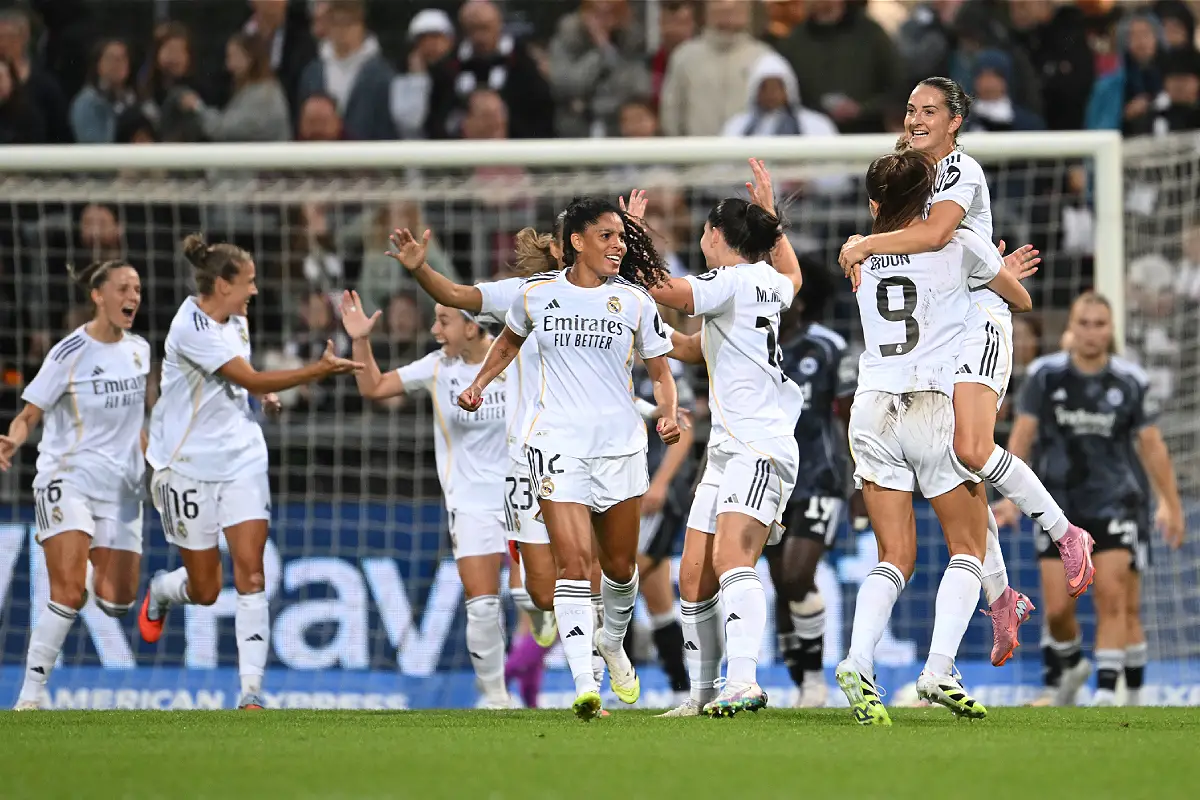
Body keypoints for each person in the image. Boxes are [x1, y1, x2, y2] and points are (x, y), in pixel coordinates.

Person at [838, 76, 1094, 667]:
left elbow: (934, 235)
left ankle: (1064, 533)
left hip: (976, 314)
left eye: (929, 110)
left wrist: (864, 245)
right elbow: (915, 236)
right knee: (959, 467)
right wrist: (867, 245)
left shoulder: (960, 171)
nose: (915, 119)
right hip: (939, 318)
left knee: (973, 449)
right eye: (909, 110)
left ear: (955, 121)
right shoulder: (908, 176)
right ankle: (1002, 599)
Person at [456, 197, 680, 721]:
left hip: (620, 446)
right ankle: (586, 685)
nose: (618, 246)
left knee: (621, 569)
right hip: (555, 443)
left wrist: (666, 414)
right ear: (576, 241)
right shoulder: (536, 297)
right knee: (575, 564)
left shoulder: (635, 302)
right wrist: (478, 383)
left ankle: (612, 641)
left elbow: (661, 373)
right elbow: (508, 346)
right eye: (606, 236)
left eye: (622, 237)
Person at [835, 148, 1033, 727]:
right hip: (930, 404)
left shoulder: (857, 255)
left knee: (893, 556)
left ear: (874, 205)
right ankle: (939, 668)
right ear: (928, 202)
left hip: (871, 407)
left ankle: (856, 661)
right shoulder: (958, 243)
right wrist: (997, 280)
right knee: (967, 547)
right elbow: (1018, 299)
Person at [139, 234, 361, 710]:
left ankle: (251, 690)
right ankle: (161, 589)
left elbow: (244, 375)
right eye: (248, 282)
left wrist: (258, 395)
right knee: (203, 589)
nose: (255, 291)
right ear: (222, 284)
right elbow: (251, 375)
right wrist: (312, 371)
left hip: (241, 457)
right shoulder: (190, 327)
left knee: (252, 573)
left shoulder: (235, 316)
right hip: (186, 468)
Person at [647, 159, 804, 717]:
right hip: (728, 450)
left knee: (733, 557)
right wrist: (646, 337)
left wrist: (626, 247)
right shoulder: (764, 283)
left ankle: (743, 680)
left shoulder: (731, 281)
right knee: (692, 574)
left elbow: (668, 290)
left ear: (715, 235)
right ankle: (701, 695)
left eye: (704, 233)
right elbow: (697, 347)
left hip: (759, 446)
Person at [999, 292, 1184, 707]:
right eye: (1084, 323)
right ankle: (1072, 664)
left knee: (1113, 597)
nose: (1091, 332)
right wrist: (1011, 497)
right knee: (1058, 613)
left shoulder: (1130, 381)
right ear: (1071, 327)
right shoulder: (1045, 377)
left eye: (1100, 324)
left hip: (1116, 503)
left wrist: (1169, 503)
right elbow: (1023, 436)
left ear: (1111, 328)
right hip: (1057, 508)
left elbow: (1152, 446)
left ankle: (1106, 693)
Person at [339, 296, 515, 709]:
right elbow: (374, 386)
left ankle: (543, 627)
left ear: (472, 326)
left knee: (537, 597)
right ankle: (496, 698)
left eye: (444, 321)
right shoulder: (438, 367)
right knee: (483, 604)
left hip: (522, 496)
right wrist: (361, 341)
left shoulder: (516, 358)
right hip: (470, 501)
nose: (435, 331)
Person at [1, 260, 149, 709]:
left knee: (117, 602)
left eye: (138, 289)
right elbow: (29, 414)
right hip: (67, 479)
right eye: (124, 288)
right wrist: (11, 440)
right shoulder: (68, 354)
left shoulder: (140, 350)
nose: (134, 296)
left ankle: (82, 568)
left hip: (122, 490)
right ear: (98, 296)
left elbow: (138, 426)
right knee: (66, 593)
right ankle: (30, 697)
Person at [770, 257, 855, 708]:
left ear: (801, 301)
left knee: (798, 575)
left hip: (819, 476)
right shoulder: (752, 345)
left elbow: (849, 417)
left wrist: (859, 483)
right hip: (766, 480)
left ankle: (815, 680)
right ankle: (802, 681)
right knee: (780, 581)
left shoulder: (827, 347)